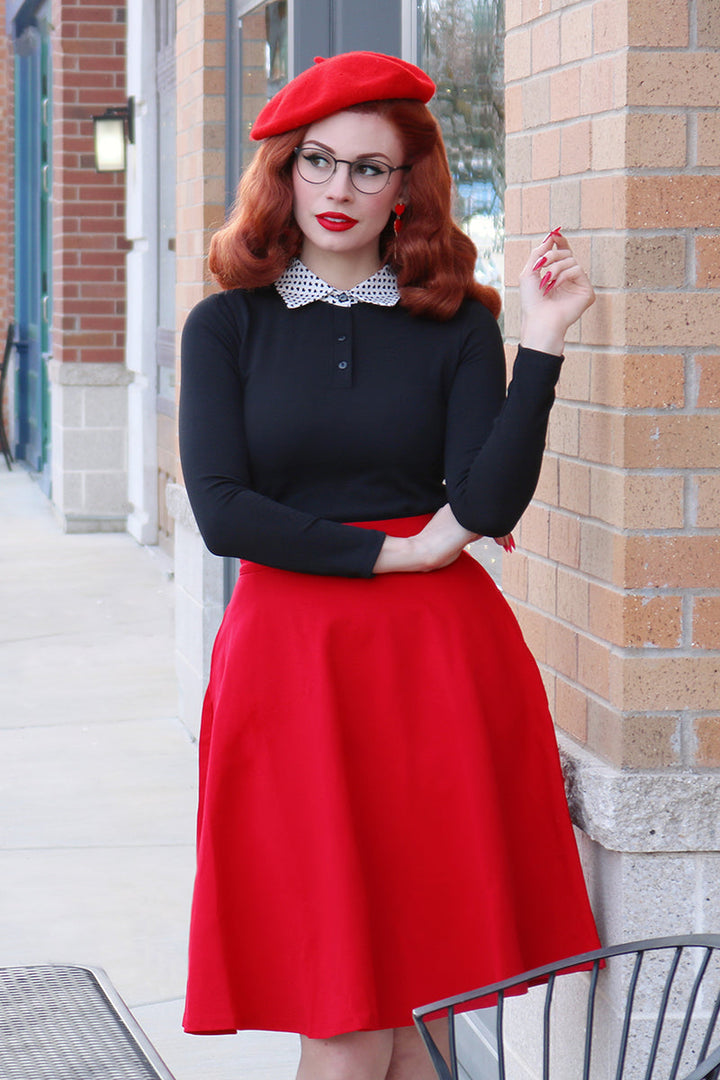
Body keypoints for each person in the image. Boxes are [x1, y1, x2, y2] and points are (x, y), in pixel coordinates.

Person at [179, 50, 600, 1080]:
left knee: (425, 1002)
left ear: (409, 185)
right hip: (293, 666)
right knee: (343, 1006)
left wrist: (540, 344)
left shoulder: (460, 324)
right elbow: (224, 513)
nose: (339, 189)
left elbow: (488, 500)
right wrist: (401, 549)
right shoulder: (226, 325)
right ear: (282, 172)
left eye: (371, 168)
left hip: (436, 667)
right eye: (317, 161)